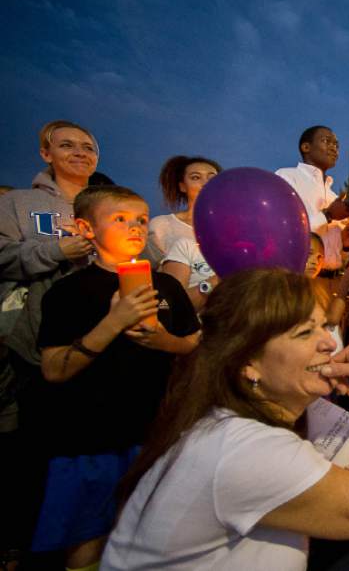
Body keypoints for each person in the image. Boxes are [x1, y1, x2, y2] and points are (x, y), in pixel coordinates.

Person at [102, 268, 349, 570]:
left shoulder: (222, 416)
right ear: (248, 363)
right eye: (304, 333)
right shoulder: (248, 449)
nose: (328, 341)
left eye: (324, 325)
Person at [31, 185, 200, 569]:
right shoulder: (67, 292)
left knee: (152, 535)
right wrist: (113, 323)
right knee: (87, 541)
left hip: (156, 435)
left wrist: (164, 342)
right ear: (86, 228)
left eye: (141, 220)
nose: (135, 228)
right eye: (120, 219)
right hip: (89, 440)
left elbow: (194, 344)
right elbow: (54, 369)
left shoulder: (168, 286)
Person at [0, 120, 100, 564]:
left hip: (97, 340)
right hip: (33, 342)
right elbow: (3, 255)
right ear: (45, 153)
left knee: (81, 448)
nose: (79, 153)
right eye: (67, 145)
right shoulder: (20, 203)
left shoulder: (103, 205)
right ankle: (21, 543)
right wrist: (55, 252)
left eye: (87, 147)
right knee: (30, 446)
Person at [276, 126, 349, 274]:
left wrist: (346, 243)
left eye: (336, 145)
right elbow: (281, 231)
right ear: (306, 147)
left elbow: (337, 254)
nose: (334, 148)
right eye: (326, 141)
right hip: (297, 276)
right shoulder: (287, 177)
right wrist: (327, 216)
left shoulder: (333, 196)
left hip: (332, 281)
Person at [146, 156, 221, 263]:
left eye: (212, 178)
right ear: (182, 186)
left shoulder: (232, 225)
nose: (206, 183)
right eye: (196, 177)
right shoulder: (162, 225)